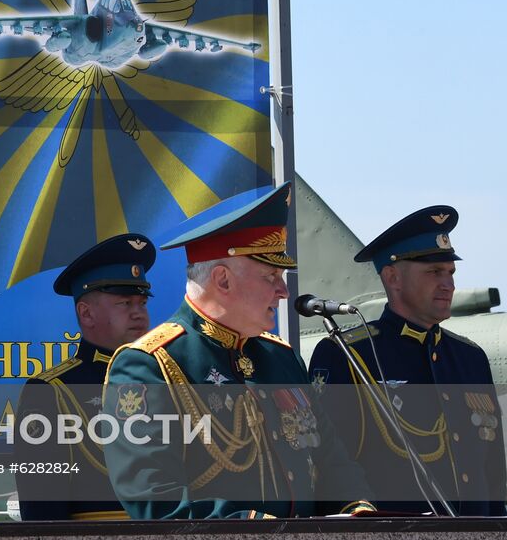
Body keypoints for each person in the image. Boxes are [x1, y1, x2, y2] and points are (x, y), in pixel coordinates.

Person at [101, 183, 375, 519]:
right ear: (223, 280)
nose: (283, 291)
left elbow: (332, 460)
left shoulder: (281, 358)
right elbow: (156, 500)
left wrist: (355, 510)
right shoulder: (150, 364)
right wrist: (251, 529)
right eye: (270, 275)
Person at [308, 206, 506, 514]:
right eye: (434, 272)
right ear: (392, 277)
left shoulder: (471, 358)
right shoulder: (345, 355)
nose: (448, 284)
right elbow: (330, 473)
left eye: (450, 273)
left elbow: (493, 476)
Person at [14, 233, 154, 521]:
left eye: (142, 303)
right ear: (86, 314)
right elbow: (43, 515)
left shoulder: (169, 380)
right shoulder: (52, 391)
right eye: (125, 303)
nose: (139, 314)